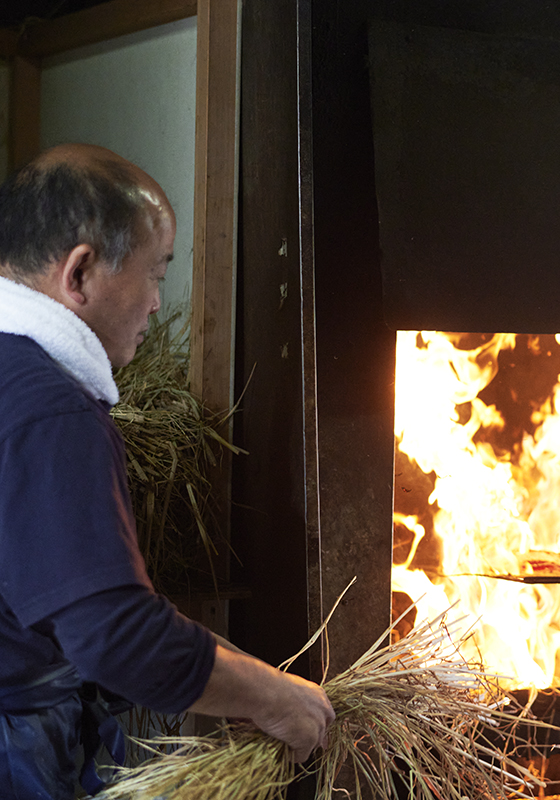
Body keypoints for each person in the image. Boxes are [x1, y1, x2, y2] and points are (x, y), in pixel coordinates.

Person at [0, 143, 335, 799]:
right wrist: (272, 699)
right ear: (82, 273)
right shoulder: (52, 413)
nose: (158, 303)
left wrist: (232, 669)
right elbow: (113, 636)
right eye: (156, 274)